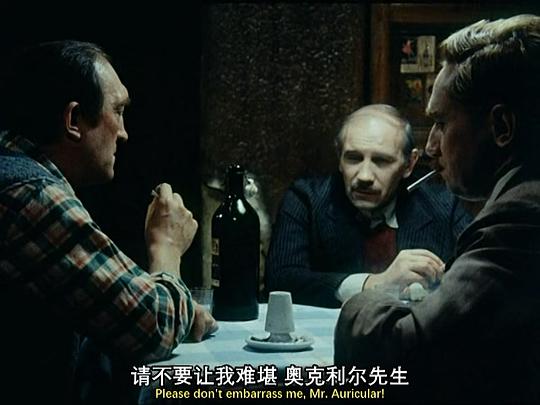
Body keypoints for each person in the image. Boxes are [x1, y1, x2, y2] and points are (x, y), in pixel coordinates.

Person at [335, 15, 540, 404]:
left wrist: (369, 297)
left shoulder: (520, 218)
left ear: (502, 127)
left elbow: (399, 353)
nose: (431, 147)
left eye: (442, 123)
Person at [0, 40, 216, 403]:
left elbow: (108, 309)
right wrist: (166, 248)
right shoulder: (30, 194)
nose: (124, 132)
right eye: (118, 111)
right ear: (73, 120)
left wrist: (168, 305)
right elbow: (153, 327)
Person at [265, 104, 471, 307]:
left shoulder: (445, 206)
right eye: (353, 158)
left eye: (381, 161)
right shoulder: (306, 199)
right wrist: (374, 284)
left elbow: (478, 276)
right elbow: (281, 280)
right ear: (339, 157)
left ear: (409, 164)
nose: (364, 176)